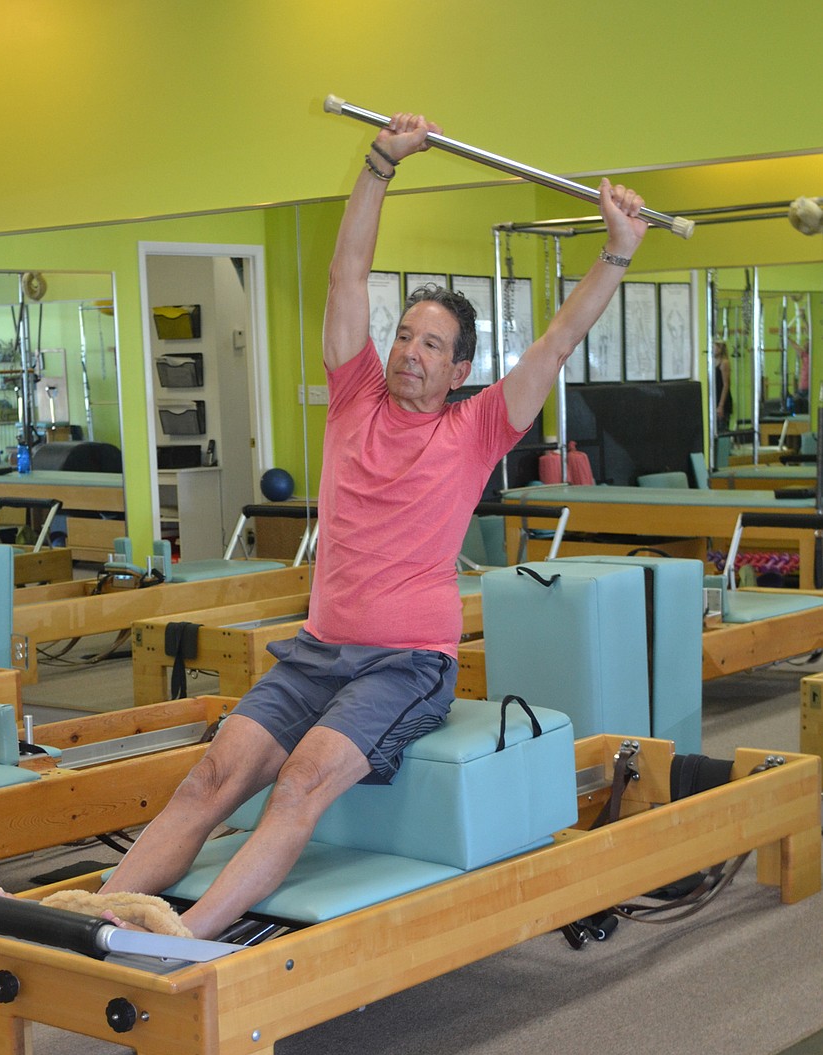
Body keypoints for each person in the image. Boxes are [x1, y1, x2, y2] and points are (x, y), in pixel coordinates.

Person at [84, 115, 646, 940]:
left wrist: (618, 250)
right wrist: (381, 164)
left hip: (407, 664)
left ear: (461, 370)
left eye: (433, 345)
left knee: (302, 778)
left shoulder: (477, 428)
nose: (410, 352)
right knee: (214, 773)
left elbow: (558, 342)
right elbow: (348, 276)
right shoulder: (354, 396)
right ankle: (95, 922)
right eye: (405, 335)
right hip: (316, 650)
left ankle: (183, 941)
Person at [713, 340, 733, 428]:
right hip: (715, 398)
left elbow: (726, 385)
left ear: (720, 348)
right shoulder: (713, 362)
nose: (712, 349)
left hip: (722, 400)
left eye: (714, 347)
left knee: (722, 427)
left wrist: (721, 405)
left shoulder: (724, 363)